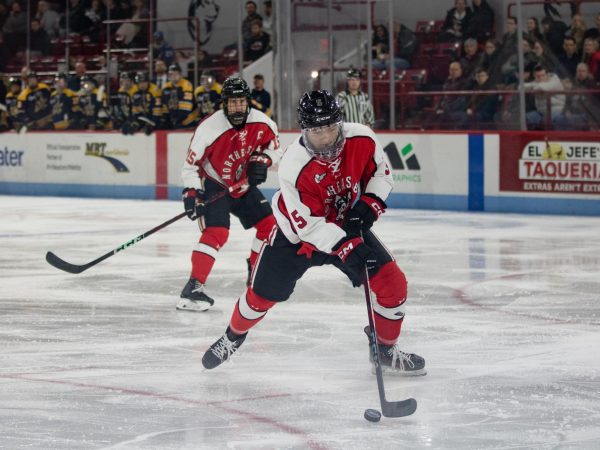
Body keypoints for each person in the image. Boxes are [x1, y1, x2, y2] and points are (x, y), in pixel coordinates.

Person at [200, 89, 426, 377]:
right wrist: (347, 247)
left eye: (331, 127)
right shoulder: (293, 164)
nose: (326, 136)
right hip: (294, 237)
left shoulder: (362, 138)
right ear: (305, 129)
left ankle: (384, 349)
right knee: (260, 296)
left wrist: (367, 208)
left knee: (393, 285)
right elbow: (307, 226)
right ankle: (233, 336)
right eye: (317, 130)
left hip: (345, 224)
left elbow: (381, 173)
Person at [179, 77, 280, 311]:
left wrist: (263, 160)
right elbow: (190, 165)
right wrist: (192, 192)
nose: (237, 107)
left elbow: (275, 151)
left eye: (241, 102)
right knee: (217, 233)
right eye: (232, 102)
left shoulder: (263, 123)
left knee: (270, 226)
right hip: (215, 185)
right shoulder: (209, 128)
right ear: (224, 104)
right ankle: (193, 288)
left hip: (243, 185)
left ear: (248, 102)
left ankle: (256, 276)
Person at [160, 64, 195, 129]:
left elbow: (186, 107)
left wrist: (177, 119)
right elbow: (164, 105)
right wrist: (166, 119)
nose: (173, 76)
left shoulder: (187, 84)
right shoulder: (165, 87)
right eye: (171, 74)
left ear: (180, 75)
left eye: (176, 74)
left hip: (187, 119)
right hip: (173, 118)